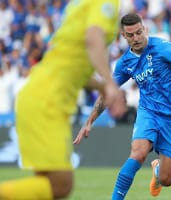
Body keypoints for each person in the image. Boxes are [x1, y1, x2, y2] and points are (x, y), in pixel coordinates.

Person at [0, 0, 126, 199]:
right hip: (47, 100)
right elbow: (93, 38)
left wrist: (103, 86)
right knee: (61, 185)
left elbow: (72, 65)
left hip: (38, 93)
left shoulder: (79, 5)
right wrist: (110, 83)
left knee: (46, 185)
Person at [73, 13, 171, 200]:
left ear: (144, 29)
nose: (136, 38)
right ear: (124, 36)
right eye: (131, 35)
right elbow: (108, 92)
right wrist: (90, 121)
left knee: (167, 180)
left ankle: (158, 171)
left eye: (139, 32)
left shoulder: (161, 47)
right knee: (138, 152)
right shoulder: (125, 63)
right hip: (148, 113)